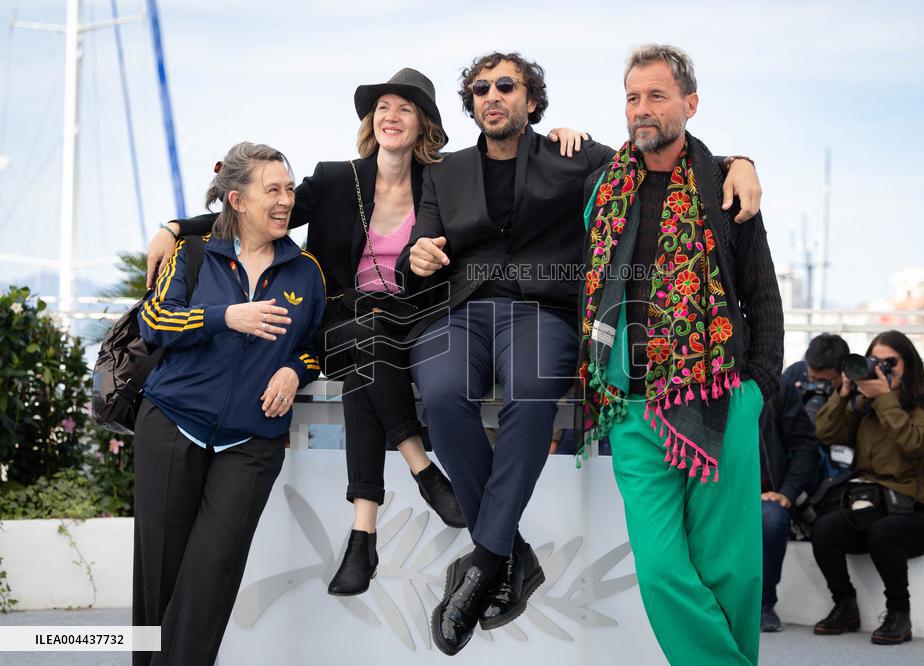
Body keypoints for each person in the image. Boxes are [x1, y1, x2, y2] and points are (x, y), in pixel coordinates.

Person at [144, 69, 592, 596]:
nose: (391, 116)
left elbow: (499, 197)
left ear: (423, 123)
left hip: (414, 319)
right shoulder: (336, 179)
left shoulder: (442, 180)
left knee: (372, 351)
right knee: (364, 337)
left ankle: (364, 535)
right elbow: (257, 213)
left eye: (404, 108)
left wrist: (558, 140)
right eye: (382, 107)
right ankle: (420, 469)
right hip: (342, 318)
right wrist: (177, 228)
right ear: (370, 120)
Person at [398, 50, 764, 656]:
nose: (493, 95)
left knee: (533, 393)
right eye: (482, 88)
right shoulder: (444, 172)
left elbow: (664, 155)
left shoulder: (575, 158)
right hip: (464, 312)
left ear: (532, 101)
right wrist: (419, 255)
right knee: (437, 394)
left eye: (507, 85)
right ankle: (503, 553)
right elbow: (422, 245)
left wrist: (741, 162)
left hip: (545, 314)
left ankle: (485, 557)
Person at [578, 44, 783, 665]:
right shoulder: (600, 184)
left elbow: (761, 292)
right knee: (663, 569)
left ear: (689, 104)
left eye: (657, 96)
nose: (642, 109)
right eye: (633, 97)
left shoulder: (724, 184)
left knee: (731, 572)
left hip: (718, 398)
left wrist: (758, 389)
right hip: (632, 405)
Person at [133, 142, 325, 665]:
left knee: (213, 575)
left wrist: (294, 370)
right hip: (172, 425)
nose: (287, 200)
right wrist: (225, 317)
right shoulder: (193, 255)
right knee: (160, 578)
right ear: (237, 200)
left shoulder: (306, 271)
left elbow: (316, 347)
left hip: (251, 443)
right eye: (274, 191)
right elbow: (156, 322)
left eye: (289, 189)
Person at [812, 330, 924, 645]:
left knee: (884, 532)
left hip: (920, 512)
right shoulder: (864, 405)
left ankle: (899, 614)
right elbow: (825, 431)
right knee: (824, 529)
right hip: (877, 505)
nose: (885, 368)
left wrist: (886, 398)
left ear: (909, 364)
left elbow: (917, 444)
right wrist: (845, 392)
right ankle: (844, 605)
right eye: (877, 361)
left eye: (892, 362)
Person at [759, 377, 820, 632]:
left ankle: (764, 605)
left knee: (770, 519)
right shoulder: (701, 382)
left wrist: (788, 492)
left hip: (769, 495)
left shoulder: (777, 387)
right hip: (716, 492)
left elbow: (806, 446)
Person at [784, 333, 850, 475]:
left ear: (843, 373)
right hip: (796, 453)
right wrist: (792, 398)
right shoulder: (795, 372)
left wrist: (841, 397)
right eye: (812, 379)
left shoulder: (851, 389)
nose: (817, 385)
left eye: (825, 382)